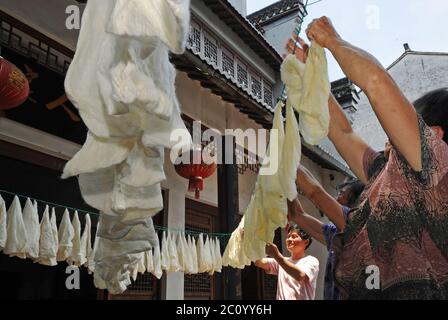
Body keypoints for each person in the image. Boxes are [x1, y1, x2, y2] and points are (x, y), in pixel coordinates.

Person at [286, 17, 448, 299]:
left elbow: (376, 84)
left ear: (433, 135)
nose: (391, 131)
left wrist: (334, 42)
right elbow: (344, 133)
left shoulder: (437, 171)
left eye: (407, 124)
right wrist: (309, 77)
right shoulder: (388, 177)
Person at [287, 165, 364, 300]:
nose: (335, 198)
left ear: (356, 204)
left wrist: (285, 157)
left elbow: (315, 193)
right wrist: (284, 183)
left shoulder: (356, 227)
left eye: (342, 194)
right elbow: (296, 214)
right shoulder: (336, 234)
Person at [255, 225, 319, 300]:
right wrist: (251, 242)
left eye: (294, 236)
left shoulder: (311, 260)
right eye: (288, 237)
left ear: (306, 242)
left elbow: (300, 275)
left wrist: (277, 255)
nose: (289, 239)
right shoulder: (282, 261)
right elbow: (259, 262)